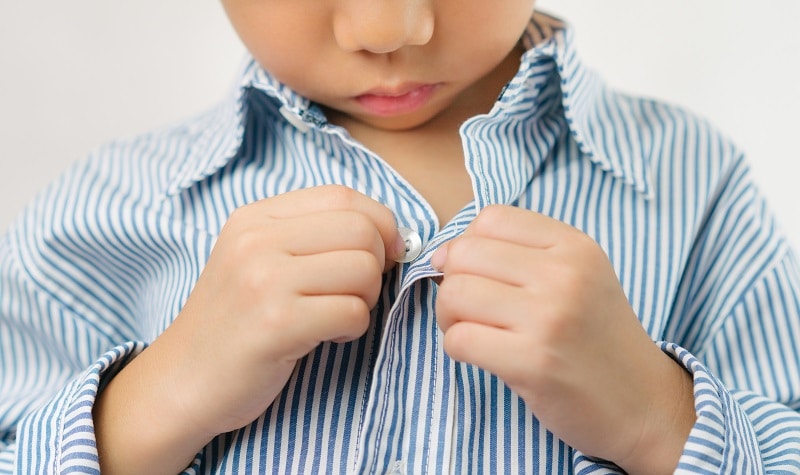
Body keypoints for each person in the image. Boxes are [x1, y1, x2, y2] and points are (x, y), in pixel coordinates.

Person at [2, 0, 799, 473]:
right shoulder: (104, 212)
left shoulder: (696, 188)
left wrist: (658, 414)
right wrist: (147, 405)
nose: (389, 25)